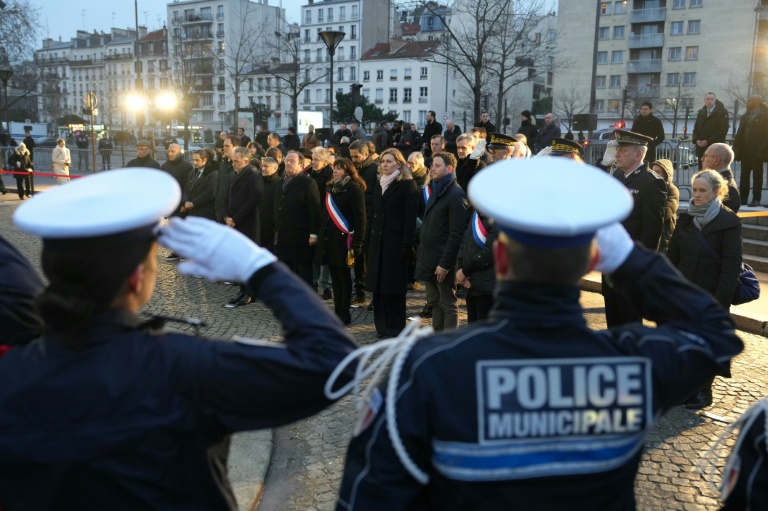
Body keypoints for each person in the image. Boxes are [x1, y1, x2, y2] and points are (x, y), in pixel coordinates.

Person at [335, 158, 743, 510]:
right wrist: (627, 257)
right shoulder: (630, 366)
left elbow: (369, 497)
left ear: (499, 256)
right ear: (592, 262)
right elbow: (715, 334)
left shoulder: (427, 371)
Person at [2, 168, 358, 509]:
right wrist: (261, 270)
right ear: (136, 277)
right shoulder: (181, 367)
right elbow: (334, 361)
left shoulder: (12, 375)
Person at [667, 169, 742, 409]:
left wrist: (721, 302)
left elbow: (731, 265)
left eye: (702, 191)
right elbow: (672, 257)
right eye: (695, 190)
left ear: (716, 192)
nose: (696, 195)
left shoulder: (728, 221)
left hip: (711, 294)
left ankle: (703, 391)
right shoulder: (686, 217)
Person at [597, 130, 667, 327]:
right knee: (612, 313)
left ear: (638, 154)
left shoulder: (651, 182)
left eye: (623, 150)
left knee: (629, 318)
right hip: (611, 258)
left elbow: (652, 230)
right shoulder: (617, 174)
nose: (617, 154)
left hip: (631, 262)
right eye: (617, 149)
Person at [366, 148, 418, 338]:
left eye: (388, 161)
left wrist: (406, 245)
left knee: (393, 287)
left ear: (399, 163)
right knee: (378, 286)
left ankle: (396, 327)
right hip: (378, 242)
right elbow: (373, 214)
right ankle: (381, 326)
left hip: (395, 244)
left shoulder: (407, 185)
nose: (384, 165)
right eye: (382, 162)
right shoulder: (379, 183)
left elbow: (410, 219)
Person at [415, 151, 469, 332]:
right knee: (435, 302)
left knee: (448, 304)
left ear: (450, 168)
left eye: (437, 166)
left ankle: (450, 343)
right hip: (430, 258)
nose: (432, 169)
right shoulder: (436, 189)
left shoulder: (455, 195)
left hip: (443, 262)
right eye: (431, 166)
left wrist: (445, 265)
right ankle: (438, 340)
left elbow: (456, 234)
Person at [315, 157, 367, 325]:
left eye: (339, 168)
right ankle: (337, 310)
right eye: (334, 168)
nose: (335, 171)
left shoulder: (354, 189)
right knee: (335, 278)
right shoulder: (331, 188)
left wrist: (357, 243)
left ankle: (344, 312)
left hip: (345, 240)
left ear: (348, 171)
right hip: (330, 240)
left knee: (344, 277)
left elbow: (361, 219)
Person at [224, 147, 265, 307]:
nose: (233, 164)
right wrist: (226, 216)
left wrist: (236, 219)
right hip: (234, 223)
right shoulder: (232, 176)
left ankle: (251, 292)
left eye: (236, 161)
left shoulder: (253, 177)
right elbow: (228, 198)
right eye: (233, 161)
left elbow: (253, 201)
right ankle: (242, 289)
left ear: (246, 161)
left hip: (248, 224)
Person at [274, 150, 322, 287]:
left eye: (292, 161)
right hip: (283, 234)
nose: (288, 163)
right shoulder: (280, 181)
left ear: (301, 165)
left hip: (301, 235)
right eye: (286, 160)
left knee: (302, 273)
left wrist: (313, 234)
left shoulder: (308, 183)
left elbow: (314, 209)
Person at [455, 207, 498, 322]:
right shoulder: (475, 215)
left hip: (486, 285)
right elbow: (465, 243)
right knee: (472, 326)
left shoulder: (498, 218)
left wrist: (465, 271)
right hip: (471, 283)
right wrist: (461, 269)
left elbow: (489, 253)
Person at [734, 94, 768, 207]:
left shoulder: (765, 115)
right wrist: (736, 148)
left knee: (757, 176)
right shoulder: (745, 116)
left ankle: (756, 199)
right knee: (744, 175)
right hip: (745, 150)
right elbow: (740, 133)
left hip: (758, 151)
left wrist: (761, 150)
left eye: (750, 100)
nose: (748, 101)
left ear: (757, 102)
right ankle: (743, 199)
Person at [310, 147, 335, 299]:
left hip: (326, 218)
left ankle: (327, 286)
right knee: (313, 252)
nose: (313, 162)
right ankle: (313, 283)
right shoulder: (309, 174)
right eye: (312, 158)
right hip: (312, 218)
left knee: (326, 254)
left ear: (325, 161)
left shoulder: (330, 176)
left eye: (316, 159)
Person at [692, 92, 730, 170]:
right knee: (702, 171)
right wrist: (696, 140)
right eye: (707, 99)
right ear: (704, 100)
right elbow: (696, 128)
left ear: (715, 100)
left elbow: (723, 130)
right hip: (702, 148)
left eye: (712, 99)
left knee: (715, 172)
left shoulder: (722, 112)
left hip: (715, 148)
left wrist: (708, 141)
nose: (709, 101)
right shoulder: (701, 112)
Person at [701, 142, 741, 212]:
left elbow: (721, 219)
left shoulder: (726, 187)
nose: (701, 159)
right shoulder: (720, 182)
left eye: (705, 156)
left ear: (716, 160)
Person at [180, 149, 218, 221]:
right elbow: (187, 188)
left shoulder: (213, 173)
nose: (194, 162)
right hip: (192, 213)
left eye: (197, 160)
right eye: (193, 160)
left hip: (205, 213)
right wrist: (186, 201)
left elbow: (210, 192)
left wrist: (193, 203)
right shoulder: (192, 172)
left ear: (205, 160)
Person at [651, 159, 679, 253]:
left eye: (658, 172)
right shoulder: (650, 186)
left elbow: (668, 211)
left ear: (666, 174)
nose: (655, 174)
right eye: (653, 171)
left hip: (665, 231)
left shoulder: (672, 189)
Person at [161, 143, 193, 217]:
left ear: (179, 153)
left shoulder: (186, 167)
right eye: (168, 151)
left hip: (180, 206)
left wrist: (184, 203)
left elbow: (187, 187)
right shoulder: (165, 166)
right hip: (167, 205)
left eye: (172, 151)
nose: (170, 153)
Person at [258, 157, 281, 252]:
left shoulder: (280, 183)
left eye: (266, 166)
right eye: (262, 166)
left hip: (272, 227)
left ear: (275, 168)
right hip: (258, 226)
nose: (263, 168)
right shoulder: (258, 181)